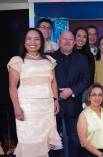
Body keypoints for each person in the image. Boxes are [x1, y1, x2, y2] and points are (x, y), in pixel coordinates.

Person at [8, 28, 62, 157]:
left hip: (47, 108)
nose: (33, 42)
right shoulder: (17, 60)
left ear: (41, 42)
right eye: (29, 38)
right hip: (27, 108)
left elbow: (53, 81)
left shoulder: (49, 60)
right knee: (28, 140)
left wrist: (56, 99)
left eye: (37, 39)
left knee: (44, 143)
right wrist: (16, 107)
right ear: (24, 42)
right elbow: (12, 86)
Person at [48, 30, 90, 157]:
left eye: (70, 39)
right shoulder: (49, 57)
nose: (67, 41)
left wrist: (72, 90)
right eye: (64, 39)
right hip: (53, 105)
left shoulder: (82, 59)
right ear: (59, 41)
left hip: (73, 104)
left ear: (74, 42)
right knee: (52, 139)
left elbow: (86, 79)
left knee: (75, 138)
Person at [77, 83, 103, 157]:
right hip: (89, 153)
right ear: (89, 97)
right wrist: (101, 155)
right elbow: (83, 141)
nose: (97, 97)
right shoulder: (83, 115)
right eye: (94, 95)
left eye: (100, 95)